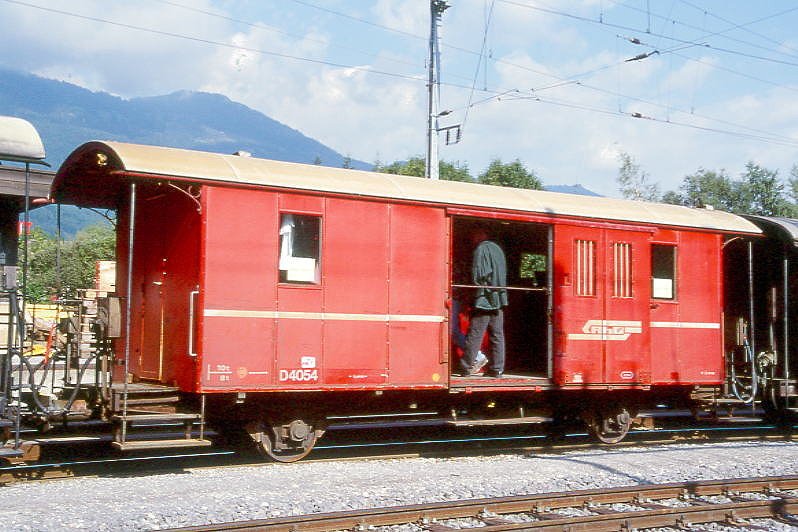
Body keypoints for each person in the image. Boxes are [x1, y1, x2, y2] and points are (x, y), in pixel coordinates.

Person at [460, 228, 508, 378]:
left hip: (485, 299)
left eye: (473, 235)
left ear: (481, 234)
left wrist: (474, 291)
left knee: (475, 333)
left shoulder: (481, 249)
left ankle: (467, 366)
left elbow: (479, 274)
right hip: (499, 298)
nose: (472, 239)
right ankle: (497, 368)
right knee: (497, 335)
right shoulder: (498, 249)